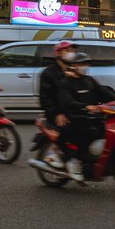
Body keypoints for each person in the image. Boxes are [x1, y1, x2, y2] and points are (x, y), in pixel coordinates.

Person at [55, 53, 115, 182]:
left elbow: (106, 94)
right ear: (73, 66)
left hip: (91, 117)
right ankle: (75, 161)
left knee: (111, 132)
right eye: (81, 64)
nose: (84, 67)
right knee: (91, 133)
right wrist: (86, 106)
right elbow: (67, 102)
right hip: (74, 118)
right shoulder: (66, 83)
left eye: (86, 64)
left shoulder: (89, 80)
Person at [38, 40, 79, 168]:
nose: (71, 53)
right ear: (58, 54)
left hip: (74, 109)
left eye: (72, 51)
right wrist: (57, 113)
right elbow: (45, 98)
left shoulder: (75, 71)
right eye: (67, 51)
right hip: (58, 113)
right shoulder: (49, 73)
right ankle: (55, 154)